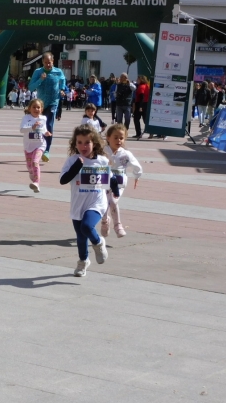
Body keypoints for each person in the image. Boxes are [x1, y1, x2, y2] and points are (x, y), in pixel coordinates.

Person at [59, 125, 119, 277]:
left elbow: (110, 178)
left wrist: (116, 190)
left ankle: (98, 243)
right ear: (75, 143)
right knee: (80, 237)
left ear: (94, 143)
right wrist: (76, 167)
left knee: (87, 226)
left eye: (87, 142)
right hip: (78, 204)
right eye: (79, 142)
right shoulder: (72, 160)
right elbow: (63, 180)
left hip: (96, 202)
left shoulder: (102, 161)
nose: (83, 146)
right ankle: (83, 261)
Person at [102, 124, 142, 239]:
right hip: (104, 181)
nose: (118, 140)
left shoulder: (126, 154)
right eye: (115, 137)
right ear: (108, 138)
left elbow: (136, 165)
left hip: (119, 182)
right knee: (103, 202)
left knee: (113, 201)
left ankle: (118, 226)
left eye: (121, 138)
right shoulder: (102, 151)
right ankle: (105, 221)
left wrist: (137, 176)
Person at [28, 52, 66, 162]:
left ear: (53, 61)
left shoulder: (58, 72)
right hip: (40, 104)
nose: (48, 65)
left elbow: (63, 81)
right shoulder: (38, 72)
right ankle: (37, 148)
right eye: (45, 63)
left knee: (49, 124)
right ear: (42, 62)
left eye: (49, 63)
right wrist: (40, 79)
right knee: (39, 126)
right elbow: (31, 87)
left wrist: (62, 89)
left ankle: (47, 151)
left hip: (53, 102)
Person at [20, 98, 51, 193]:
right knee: (29, 166)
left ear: (41, 109)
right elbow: (22, 130)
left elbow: (44, 129)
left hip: (40, 145)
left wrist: (46, 133)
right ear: (29, 108)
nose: (36, 109)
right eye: (34, 107)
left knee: (35, 162)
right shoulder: (26, 118)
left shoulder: (43, 118)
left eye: (38, 107)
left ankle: (36, 183)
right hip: (28, 146)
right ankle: (31, 173)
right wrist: (31, 128)